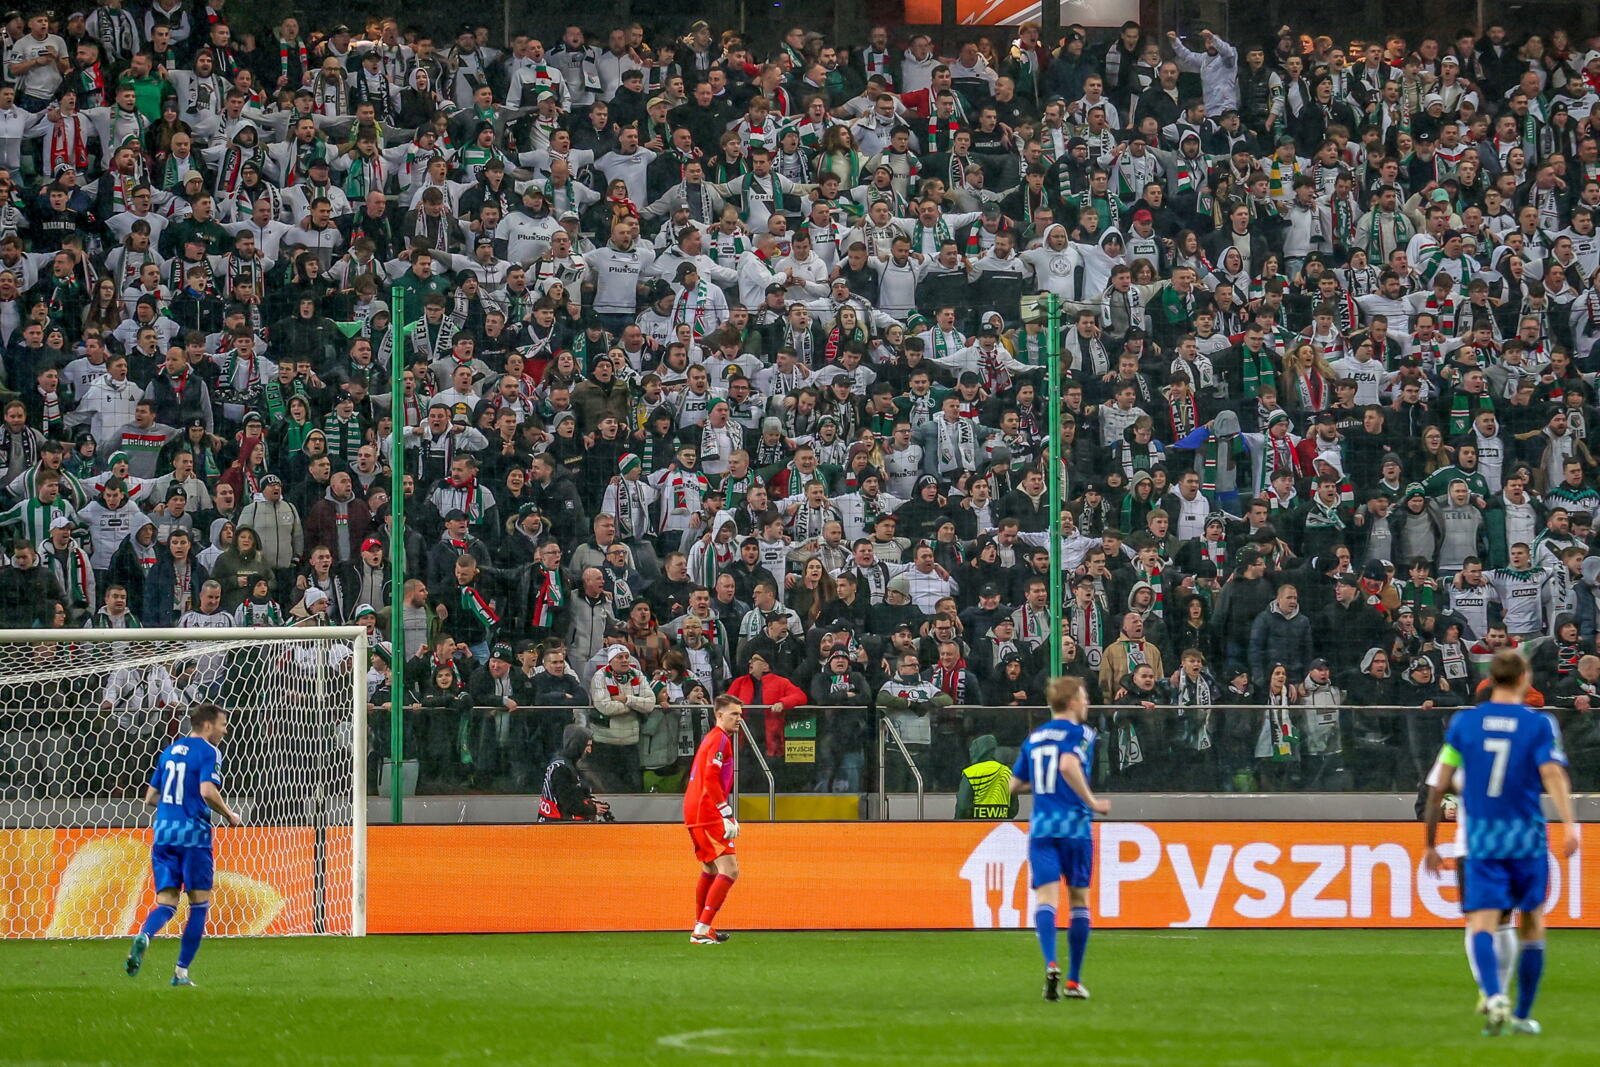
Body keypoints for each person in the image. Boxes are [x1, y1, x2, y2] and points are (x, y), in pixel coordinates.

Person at [1422, 650, 1580, 1035]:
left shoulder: (1464, 723)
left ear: (1490, 678)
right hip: (1526, 839)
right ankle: (1522, 1015)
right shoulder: (1539, 723)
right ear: (1524, 677)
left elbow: (1439, 784)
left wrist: (1429, 842)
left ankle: (1493, 996)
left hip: (1481, 842)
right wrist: (1570, 824)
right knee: (1531, 922)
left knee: (1482, 923)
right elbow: (1553, 774)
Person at [123, 703, 242, 986]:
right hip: (193, 836)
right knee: (199, 905)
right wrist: (229, 814)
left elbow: (150, 797)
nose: (225, 731)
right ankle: (180, 973)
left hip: (163, 833)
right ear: (208, 725)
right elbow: (207, 790)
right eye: (223, 725)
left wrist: (175, 803)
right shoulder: (209, 751)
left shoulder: (169, 751)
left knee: (166, 903)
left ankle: (144, 935)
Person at [1009, 675, 1109, 1002]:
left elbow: (1014, 784)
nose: (1087, 703)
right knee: (1079, 900)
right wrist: (1092, 801)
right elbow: (1068, 764)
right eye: (1084, 697)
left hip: (1041, 828)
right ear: (1072, 702)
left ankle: (1050, 961)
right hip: (1075, 829)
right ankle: (1073, 980)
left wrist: (1042, 781)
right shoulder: (1083, 733)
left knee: (1046, 900)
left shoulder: (1035, 737)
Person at [683, 693, 743, 944]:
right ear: (719, 715)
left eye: (740, 714)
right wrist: (725, 812)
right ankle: (701, 928)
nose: (739, 719)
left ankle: (702, 927)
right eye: (734, 714)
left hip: (694, 808)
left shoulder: (713, 739)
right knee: (730, 869)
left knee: (710, 868)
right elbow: (710, 777)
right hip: (706, 810)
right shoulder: (720, 740)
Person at [536, 725, 609, 822]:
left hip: (553, 824)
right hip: (556, 828)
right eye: (587, 746)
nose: (589, 750)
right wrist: (594, 809)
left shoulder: (564, 763)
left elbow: (574, 793)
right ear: (577, 745)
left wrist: (591, 802)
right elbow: (569, 804)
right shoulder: (562, 769)